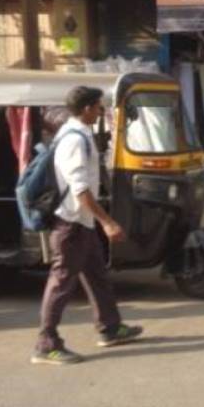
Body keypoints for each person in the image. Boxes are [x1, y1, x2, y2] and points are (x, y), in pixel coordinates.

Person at [33, 86, 143, 365]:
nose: (101, 111)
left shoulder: (79, 134)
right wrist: (107, 222)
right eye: (98, 107)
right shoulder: (74, 140)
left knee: (97, 276)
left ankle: (110, 327)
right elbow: (80, 189)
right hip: (71, 224)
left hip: (82, 223)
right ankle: (46, 344)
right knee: (60, 284)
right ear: (86, 109)